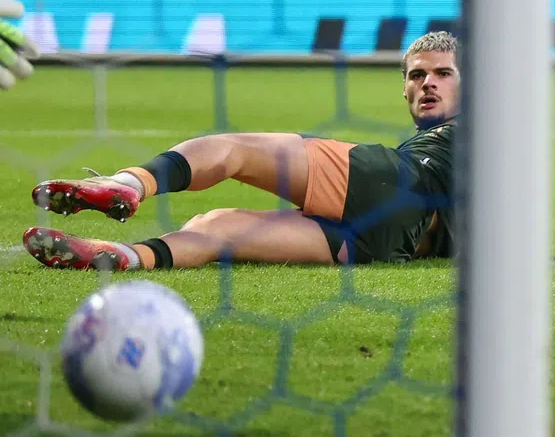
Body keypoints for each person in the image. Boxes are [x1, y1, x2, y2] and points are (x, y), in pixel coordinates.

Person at [25, 33, 460, 270]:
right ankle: (121, 257)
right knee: (218, 228)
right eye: (417, 75)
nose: (427, 83)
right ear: (403, 88)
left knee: (232, 150)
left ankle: (127, 184)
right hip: (388, 249)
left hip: (398, 183)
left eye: (443, 73)